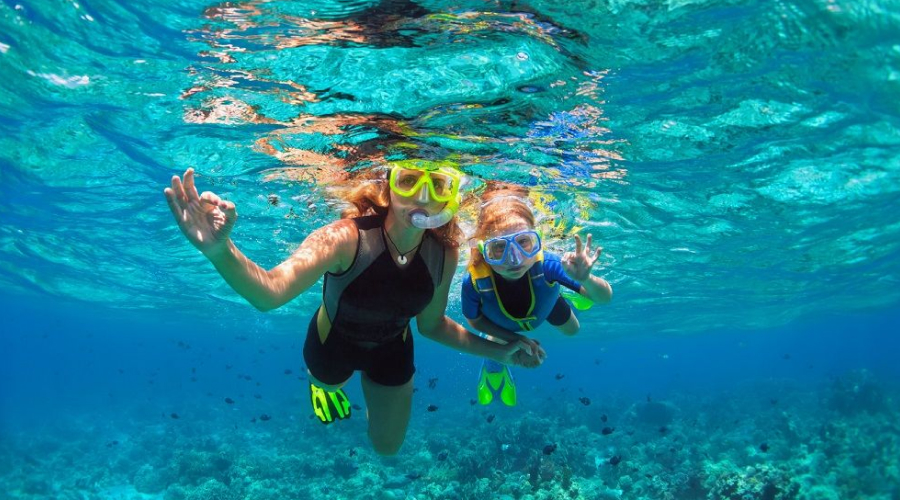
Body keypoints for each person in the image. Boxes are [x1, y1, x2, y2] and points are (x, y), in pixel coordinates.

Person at [163, 163, 543, 455]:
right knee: (328, 384)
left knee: (387, 448)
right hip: (333, 343)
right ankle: (323, 386)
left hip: (393, 348)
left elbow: (431, 326)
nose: (423, 197)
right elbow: (270, 293)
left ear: (449, 197)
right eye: (409, 181)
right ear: (388, 187)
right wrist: (218, 250)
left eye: (438, 185)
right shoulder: (346, 237)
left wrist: (502, 351)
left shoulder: (444, 252)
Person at [462, 184, 613, 406]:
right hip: (501, 323)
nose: (514, 259)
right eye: (499, 248)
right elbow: (473, 320)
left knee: (573, 330)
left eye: (524, 243)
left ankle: (572, 290)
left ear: (537, 240)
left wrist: (585, 280)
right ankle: (494, 367)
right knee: (498, 342)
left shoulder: (549, 264)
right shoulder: (474, 281)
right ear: (484, 250)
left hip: (546, 303)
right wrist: (516, 340)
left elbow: (605, 298)